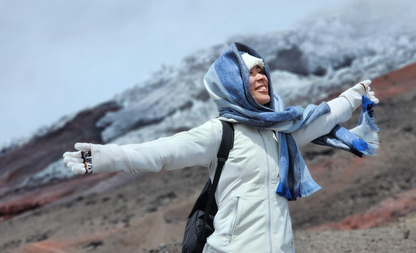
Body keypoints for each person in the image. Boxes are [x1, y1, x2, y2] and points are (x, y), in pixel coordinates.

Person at [63, 42, 379, 253]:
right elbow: (162, 153)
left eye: (262, 71)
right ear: (232, 83)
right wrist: (104, 158)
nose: (261, 77)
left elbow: (324, 117)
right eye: (250, 73)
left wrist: (355, 95)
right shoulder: (221, 132)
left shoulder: (282, 134)